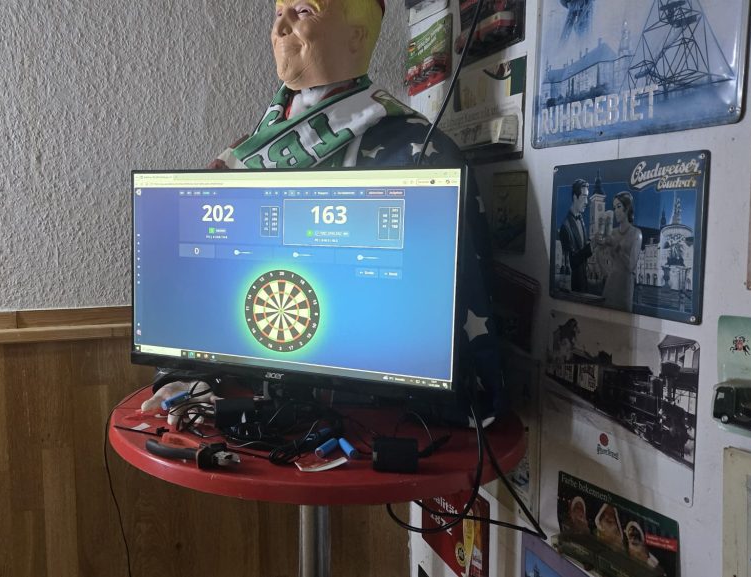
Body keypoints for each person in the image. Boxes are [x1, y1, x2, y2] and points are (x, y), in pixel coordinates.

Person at [212, 0, 504, 421]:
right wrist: (191, 376)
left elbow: (449, 316)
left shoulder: (419, 153)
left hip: (374, 415)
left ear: (357, 36)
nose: (280, 29)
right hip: (265, 401)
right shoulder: (249, 151)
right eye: (278, 14)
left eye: (303, 11)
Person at [595, 192, 642, 311]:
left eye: (619, 206)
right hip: (610, 284)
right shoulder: (612, 232)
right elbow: (599, 252)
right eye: (614, 207)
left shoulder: (636, 233)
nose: (615, 211)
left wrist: (616, 246)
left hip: (625, 287)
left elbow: (631, 266)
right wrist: (605, 271)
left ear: (627, 208)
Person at [558, 179, 592, 293]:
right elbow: (572, 262)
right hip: (573, 287)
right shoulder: (565, 227)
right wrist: (591, 247)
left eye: (587, 197)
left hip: (584, 283)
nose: (587, 202)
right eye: (584, 197)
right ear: (574, 197)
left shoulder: (581, 220)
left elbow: (582, 248)